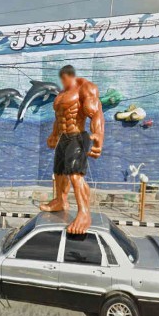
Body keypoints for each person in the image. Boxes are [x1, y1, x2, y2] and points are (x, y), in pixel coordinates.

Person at [40, 65, 104, 234]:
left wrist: (98, 135)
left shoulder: (85, 87)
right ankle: (60, 201)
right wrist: (54, 134)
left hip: (77, 136)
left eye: (65, 78)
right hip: (63, 138)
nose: (63, 82)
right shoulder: (61, 94)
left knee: (75, 175)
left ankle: (84, 213)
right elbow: (59, 118)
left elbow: (96, 113)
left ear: (71, 76)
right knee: (59, 173)